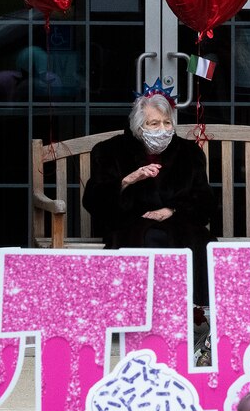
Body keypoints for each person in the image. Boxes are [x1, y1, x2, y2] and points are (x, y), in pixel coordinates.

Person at [82, 87, 216, 319]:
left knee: (192, 241)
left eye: (167, 123)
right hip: (131, 222)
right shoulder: (110, 151)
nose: (162, 130)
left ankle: (181, 313)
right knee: (149, 238)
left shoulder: (189, 153)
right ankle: (140, 315)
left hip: (179, 222)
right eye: (154, 124)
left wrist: (172, 209)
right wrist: (129, 180)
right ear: (139, 127)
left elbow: (205, 202)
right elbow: (95, 202)